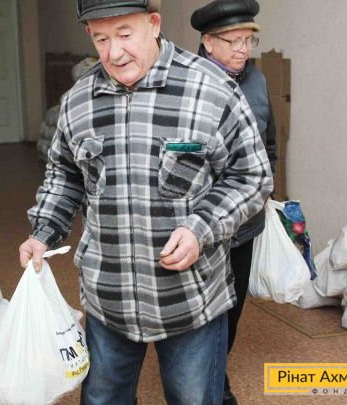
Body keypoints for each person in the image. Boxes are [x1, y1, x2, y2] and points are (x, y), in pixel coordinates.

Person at [19, 0, 273, 403]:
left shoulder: (210, 88)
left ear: (154, 23)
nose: (114, 53)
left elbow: (251, 176)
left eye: (125, 35)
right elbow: (65, 175)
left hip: (190, 299)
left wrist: (200, 228)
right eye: (101, 39)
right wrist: (43, 232)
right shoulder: (78, 101)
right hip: (108, 298)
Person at [191, 1, 278, 404]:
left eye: (249, 40)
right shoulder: (186, 82)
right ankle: (213, 387)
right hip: (201, 225)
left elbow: (268, 144)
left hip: (245, 224)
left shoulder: (257, 81)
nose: (244, 49)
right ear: (209, 42)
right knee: (202, 309)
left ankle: (215, 371)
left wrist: (263, 192)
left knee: (233, 307)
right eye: (234, 41)